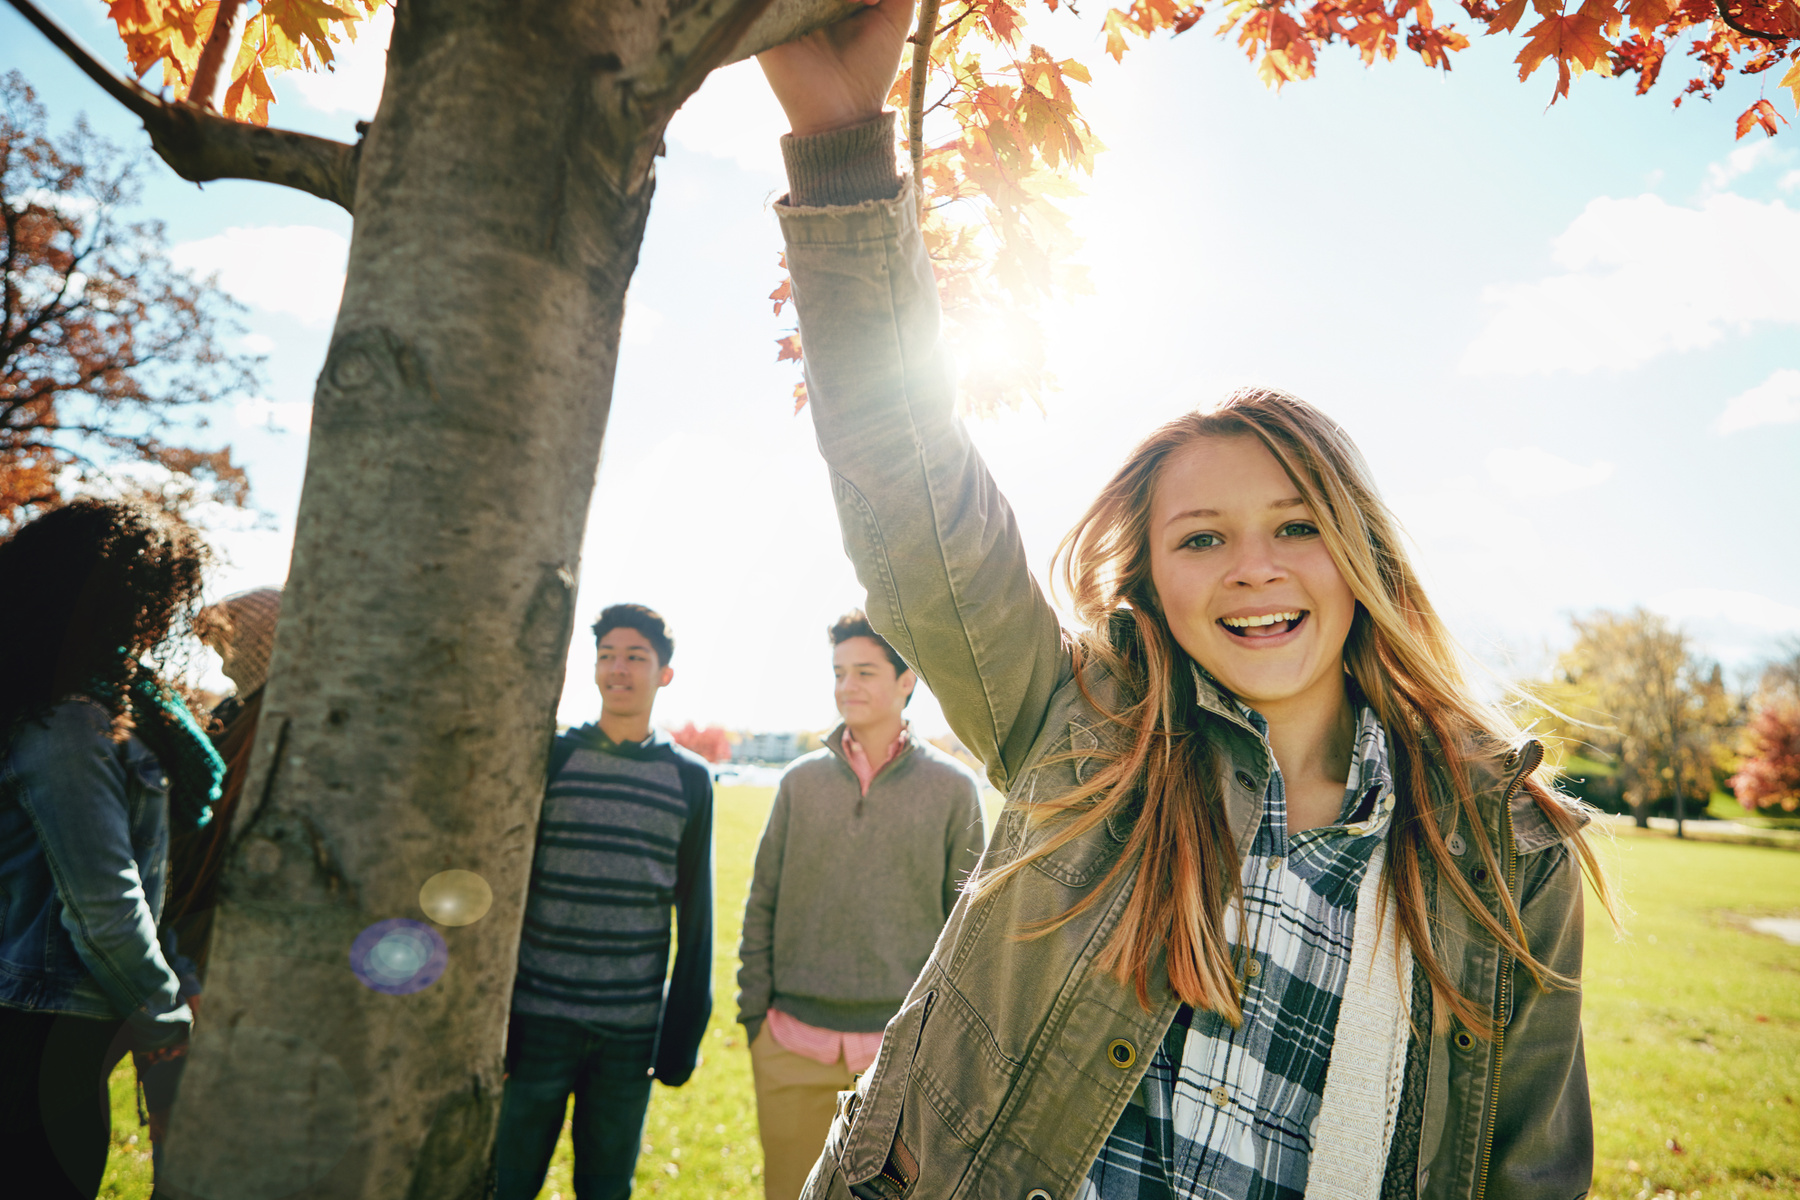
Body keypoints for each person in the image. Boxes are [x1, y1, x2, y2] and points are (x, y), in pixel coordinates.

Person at [752, 12, 1620, 1199]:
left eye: (1296, 527)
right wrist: (841, 143)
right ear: (1152, 578)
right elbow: (911, 491)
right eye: (1201, 538)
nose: (1252, 568)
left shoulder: (1504, 853)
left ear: (1360, 554)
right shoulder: (1080, 730)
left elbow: (1529, 1174)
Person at [0, 499, 218, 1200]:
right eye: (156, 597)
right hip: (38, 1027)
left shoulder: (110, 707)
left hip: (62, 1019)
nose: (160, 620)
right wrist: (166, 1017)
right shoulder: (69, 723)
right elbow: (101, 905)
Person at [736, 611, 985, 1200]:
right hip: (790, 1044)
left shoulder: (954, 789)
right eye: (839, 672)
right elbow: (761, 902)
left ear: (907, 682)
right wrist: (755, 1021)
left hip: (898, 1062)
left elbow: (969, 933)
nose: (847, 685)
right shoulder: (798, 782)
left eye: (865, 671)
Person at [495, 603, 715, 1200]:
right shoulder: (553, 757)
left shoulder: (690, 780)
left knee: (606, 1189)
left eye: (636, 657)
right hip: (536, 1021)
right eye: (607, 656)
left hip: (629, 1032)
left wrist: (680, 1035)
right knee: (505, 1184)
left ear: (663, 673)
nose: (618, 669)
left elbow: (697, 916)